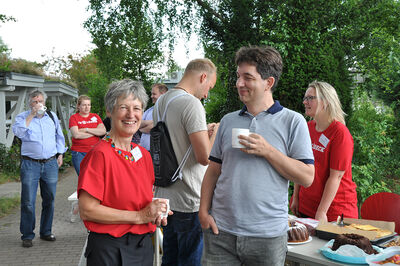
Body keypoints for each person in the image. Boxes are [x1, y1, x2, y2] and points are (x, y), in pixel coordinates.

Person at [199, 46, 315, 266]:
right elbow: (213, 171)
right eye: (238, 76)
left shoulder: (293, 121)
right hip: (220, 232)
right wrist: (203, 212)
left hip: (267, 237)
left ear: (268, 82)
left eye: (248, 77)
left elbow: (307, 177)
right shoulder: (228, 121)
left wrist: (268, 151)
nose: (239, 83)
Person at [77, 79, 170, 266]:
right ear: (109, 111)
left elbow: (139, 196)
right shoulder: (99, 155)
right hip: (110, 250)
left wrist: (155, 211)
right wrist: (140, 216)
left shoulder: (143, 155)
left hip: (143, 245)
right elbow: (87, 210)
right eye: (123, 107)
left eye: (137, 108)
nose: (131, 115)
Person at [153, 59, 218, 266]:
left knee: (170, 258)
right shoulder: (191, 103)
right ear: (203, 77)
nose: (207, 94)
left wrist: (202, 133)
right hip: (189, 198)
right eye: (209, 87)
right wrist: (214, 134)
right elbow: (204, 157)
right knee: (190, 260)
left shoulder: (161, 102)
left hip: (165, 196)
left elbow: (177, 140)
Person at [290, 81, 357, 223]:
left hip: (334, 212)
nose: (304, 102)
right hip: (306, 207)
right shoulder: (307, 128)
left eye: (310, 98)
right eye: (305, 98)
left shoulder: (340, 133)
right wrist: (296, 197)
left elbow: (336, 177)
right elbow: (300, 166)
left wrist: (321, 211)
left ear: (326, 102)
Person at [12, 89, 67, 248]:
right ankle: (27, 235)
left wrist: (60, 153)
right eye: (35, 102)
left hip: (50, 163)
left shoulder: (52, 116)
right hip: (30, 164)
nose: (38, 104)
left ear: (45, 102)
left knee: (49, 199)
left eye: (40, 101)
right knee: (28, 201)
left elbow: (59, 136)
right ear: (30, 103)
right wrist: (31, 115)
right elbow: (19, 133)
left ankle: (46, 231)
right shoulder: (23, 117)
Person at [68, 95, 106, 176]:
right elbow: (76, 135)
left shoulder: (95, 117)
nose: (87, 107)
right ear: (78, 106)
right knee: (83, 177)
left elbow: (103, 131)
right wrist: (95, 133)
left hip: (95, 151)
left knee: (96, 176)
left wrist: (86, 130)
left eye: (89, 105)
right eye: (84, 105)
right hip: (79, 153)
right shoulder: (74, 118)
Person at [139, 83, 168, 151]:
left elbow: (154, 129)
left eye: (154, 94)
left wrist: (146, 125)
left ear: (163, 95)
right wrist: (152, 123)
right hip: (144, 151)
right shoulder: (149, 110)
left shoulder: (167, 110)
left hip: (157, 153)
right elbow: (138, 125)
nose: (151, 96)